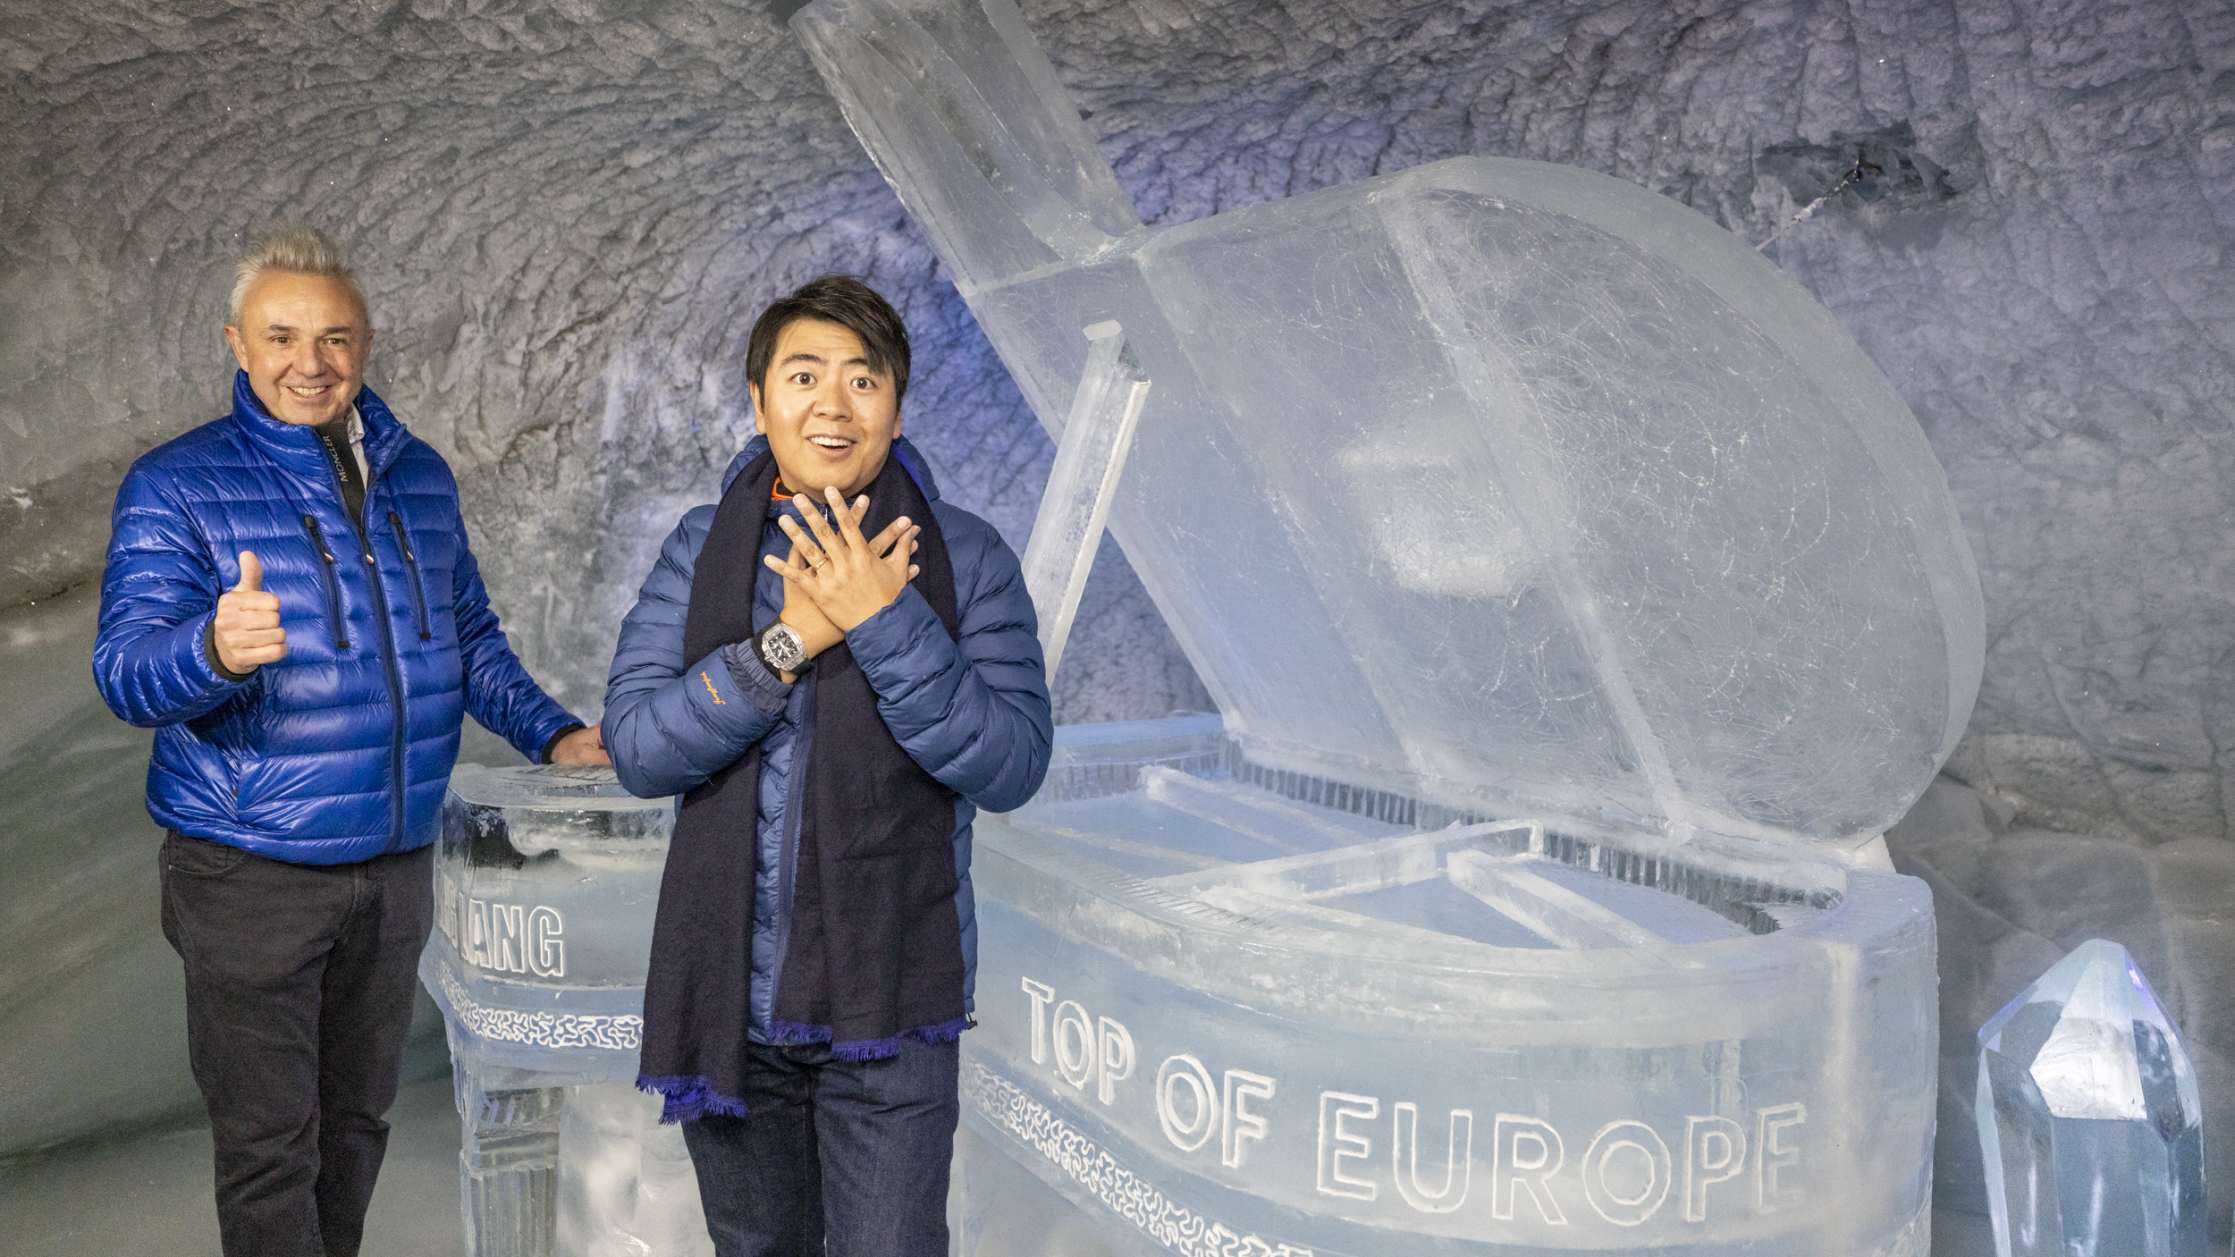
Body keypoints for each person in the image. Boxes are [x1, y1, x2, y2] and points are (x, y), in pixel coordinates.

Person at [90, 224, 607, 1257]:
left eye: (335, 338)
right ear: (238, 344)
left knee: (358, 1125)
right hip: (249, 874)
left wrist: (553, 735)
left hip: (393, 864)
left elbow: (467, 638)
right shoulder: (176, 484)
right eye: (282, 336)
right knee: (271, 1144)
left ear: (364, 347)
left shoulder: (419, 479)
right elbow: (124, 673)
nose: (309, 363)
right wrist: (212, 649)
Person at [603, 275, 1052, 1256]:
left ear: (895, 405)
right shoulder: (698, 551)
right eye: (804, 376)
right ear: (761, 400)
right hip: (731, 1001)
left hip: (890, 1011)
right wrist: (789, 642)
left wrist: (886, 625)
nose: (833, 405)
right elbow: (638, 747)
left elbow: (1013, 763)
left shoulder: (965, 559)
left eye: (864, 379)